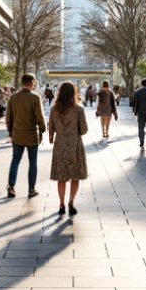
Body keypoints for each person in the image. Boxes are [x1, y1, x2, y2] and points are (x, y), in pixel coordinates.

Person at [48, 81, 88, 216]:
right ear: (73, 93)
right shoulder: (79, 110)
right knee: (75, 176)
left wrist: (51, 138)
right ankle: (71, 201)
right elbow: (83, 130)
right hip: (75, 146)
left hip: (60, 145)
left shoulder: (54, 109)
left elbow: (51, 127)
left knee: (61, 177)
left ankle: (61, 204)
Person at [6, 73, 46, 198]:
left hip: (17, 135)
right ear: (32, 82)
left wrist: (10, 131)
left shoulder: (13, 98)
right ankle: (31, 189)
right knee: (33, 161)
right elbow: (39, 116)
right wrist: (43, 128)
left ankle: (11, 186)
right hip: (31, 135)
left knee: (15, 160)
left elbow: (9, 117)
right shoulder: (35, 97)